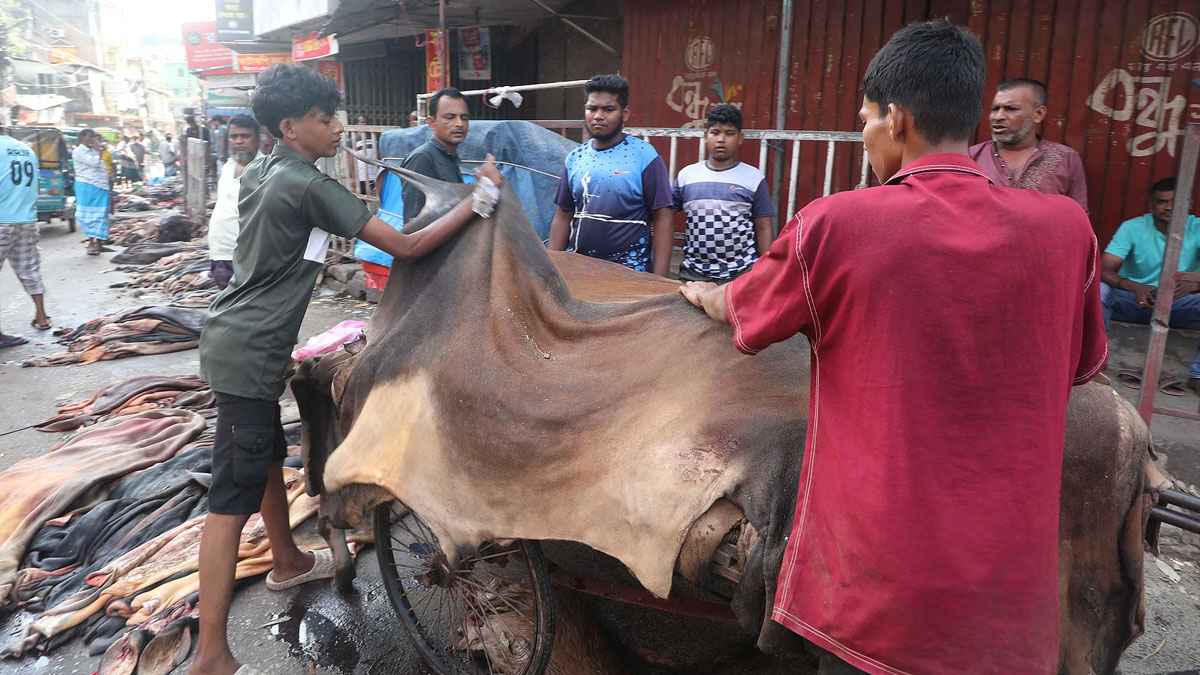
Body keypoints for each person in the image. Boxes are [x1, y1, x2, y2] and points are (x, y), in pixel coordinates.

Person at [679, 20, 1105, 674]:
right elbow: (1081, 366)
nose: (865, 135)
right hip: (1012, 602)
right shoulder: (1067, 231)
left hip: (877, 602)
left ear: (898, 120)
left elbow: (744, 310)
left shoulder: (839, 223)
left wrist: (701, 292)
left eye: (866, 120)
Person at [192, 63, 503, 675]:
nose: (337, 128)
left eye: (336, 116)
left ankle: (285, 560)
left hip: (237, 338)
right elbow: (408, 246)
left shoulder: (264, 169)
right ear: (289, 126)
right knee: (230, 497)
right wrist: (480, 199)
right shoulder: (308, 185)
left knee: (257, 459)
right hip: (248, 352)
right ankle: (210, 654)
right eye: (324, 119)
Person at [548, 74, 673, 275]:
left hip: (630, 273)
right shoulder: (574, 159)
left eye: (608, 109)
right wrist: (552, 269)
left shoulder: (645, 156)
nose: (598, 115)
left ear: (625, 114)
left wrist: (659, 280)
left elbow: (663, 217)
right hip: (580, 271)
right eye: (592, 108)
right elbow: (563, 215)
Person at [1101, 176, 1200, 393]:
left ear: (1189, 204)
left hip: (1180, 304)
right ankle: (1096, 363)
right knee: (1100, 291)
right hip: (1135, 301)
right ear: (1151, 205)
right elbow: (1104, 268)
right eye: (1162, 202)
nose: (1169, 207)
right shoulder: (1133, 227)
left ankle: (1197, 375)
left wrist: (1195, 283)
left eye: (1175, 202)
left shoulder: (1198, 228)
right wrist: (1134, 287)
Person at [672, 104, 776, 282]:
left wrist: (767, 270)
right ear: (706, 136)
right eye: (715, 132)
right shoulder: (687, 175)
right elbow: (665, 214)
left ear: (740, 138)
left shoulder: (753, 177)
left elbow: (763, 226)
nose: (721, 139)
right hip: (694, 272)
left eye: (729, 133)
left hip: (741, 272)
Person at [968, 78, 1088, 211]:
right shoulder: (970, 157)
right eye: (995, 109)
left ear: (1038, 114)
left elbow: (1078, 217)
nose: (998, 116)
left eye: (1010, 109)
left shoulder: (1066, 159)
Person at [0, 131, 50, 348]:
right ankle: (41, 317)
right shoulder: (25, 149)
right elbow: (35, 186)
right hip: (26, 219)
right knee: (29, 269)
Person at [207, 114, 262, 290]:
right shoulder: (228, 166)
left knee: (251, 311)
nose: (239, 141)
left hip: (249, 258)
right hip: (220, 253)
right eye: (234, 136)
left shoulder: (265, 170)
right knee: (227, 311)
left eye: (245, 136)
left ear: (258, 139)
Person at [402, 87, 469, 223]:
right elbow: (413, 223)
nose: (459, 124)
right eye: (450, 117)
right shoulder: (422, 159)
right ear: (431, 122)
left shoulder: (451, 156)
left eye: (464, 118)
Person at [72, 129, 111, 256]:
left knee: (101, 215)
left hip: (101, 186)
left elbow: (104, 166)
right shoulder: (79, 151)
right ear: (82, 138)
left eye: (93, 137)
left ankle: (98, 243)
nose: (93, 139)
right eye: (90, 137)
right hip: (87, 186)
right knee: (87, 215)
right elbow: (94, 163)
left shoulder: (95, 150)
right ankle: (91, 243)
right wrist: (99, 150)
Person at [353, 113, 379, 195]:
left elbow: (379, 159)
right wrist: (352, 178)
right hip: (360, 178)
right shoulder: (353, 141)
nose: (364, 124)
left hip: (374, 177)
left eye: (366, 122)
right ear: (356, 124)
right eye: (362, 122)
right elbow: (350, 162)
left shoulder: (374, 140)